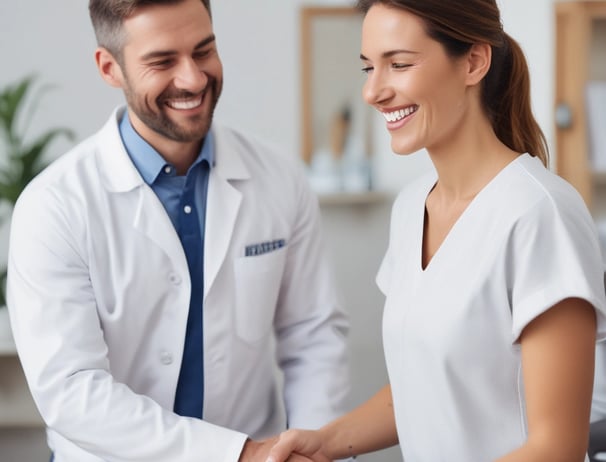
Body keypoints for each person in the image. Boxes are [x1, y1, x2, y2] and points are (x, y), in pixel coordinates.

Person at [6, 0, 351, 461]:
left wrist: (316, 449)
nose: (192, 79)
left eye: (203, 51)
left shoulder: (278, 178)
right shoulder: (54, 207)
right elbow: (71, 391)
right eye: (162, 61)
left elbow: (313, 336)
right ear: (110, 68)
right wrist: (238, 455)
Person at [264, 1, 606, 461]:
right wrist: (325, 442)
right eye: (369, 67)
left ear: (473, 62)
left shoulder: (539, 213)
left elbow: (557, 447)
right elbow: (423, 381)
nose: (372, 91)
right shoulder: (410, 208)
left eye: (399, 64)